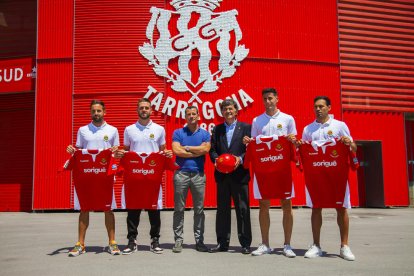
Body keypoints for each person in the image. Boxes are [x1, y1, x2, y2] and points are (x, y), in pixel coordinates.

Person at [300, 95, 356, 261]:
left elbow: (353, 147)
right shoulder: (308, 129)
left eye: (321, 106)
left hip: (337, 175)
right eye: (315, 106)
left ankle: (344, 246)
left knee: (341, 208)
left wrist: (348, 142)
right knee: (316, 208)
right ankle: (316, 245)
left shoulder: (340, 126)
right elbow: (303, 151)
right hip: (316, 175)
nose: (318, 109)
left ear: (329, 108)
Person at [243, 87, 298, 257]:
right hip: (263, 171)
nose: (268, 102)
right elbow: (252, 144)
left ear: (277, 99)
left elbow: (295, 144)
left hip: (282, 171)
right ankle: (265, 244)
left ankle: (287, 245)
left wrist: (292, 140)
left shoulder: (288, 119)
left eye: (270, 98)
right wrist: (247, 141)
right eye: (265, 99)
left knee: (286, 206)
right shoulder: (257, 121)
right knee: (263, 206)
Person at [115, 98, 172, 255]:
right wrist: (121, 153)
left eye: (147, 108)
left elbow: (163, 150)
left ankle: (155, 241)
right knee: (133, 209)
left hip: (152, 176)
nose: (144, 110)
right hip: (134, 177)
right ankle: (132, 241)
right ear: (137, 110)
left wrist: (167, 153)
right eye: (141, 108)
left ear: (151, 110)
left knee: (154, 210)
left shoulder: (159, 129)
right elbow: (126, 150)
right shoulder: (129, 129)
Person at [66, 99, 121, 257]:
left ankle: (112, 243)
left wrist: (116, 151)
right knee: (84, 209)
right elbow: (78, 151)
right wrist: (72, 150)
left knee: (108, 209)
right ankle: (80, 244)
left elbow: (116, 154)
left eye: (99, 111)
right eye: (93, 111)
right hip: (87, 175)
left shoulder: (113, 130)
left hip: (105, 176)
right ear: (90, 113)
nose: (96, 114)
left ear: (104, 112)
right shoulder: (83, 130)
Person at [209, 99, 252, 254]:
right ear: (222, 112)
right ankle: (222, 242)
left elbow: (251, 149)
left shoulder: (246, 128)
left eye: (231, 109)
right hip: (222, 175)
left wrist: (239, 159)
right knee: (222, 210)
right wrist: (216, 161)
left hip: (239, 175)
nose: (228, 111)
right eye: (225, 109)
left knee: (243, 209)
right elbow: (212, 150)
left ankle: (246, 243)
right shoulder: (217, 129)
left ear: (236, 111)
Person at [171, 106, 211, 253]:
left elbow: (206, 150)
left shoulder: (205, 134)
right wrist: (196, 151)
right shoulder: (178, 132)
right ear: (185, 117)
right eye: (188, 114)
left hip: (198, 175)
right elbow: (176, 150)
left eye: (194, 114)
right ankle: (178, 241)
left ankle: (199, 241)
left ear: (198, 116)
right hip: (181, 174)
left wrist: (186, 148)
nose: (191, 116)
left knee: (199, 210)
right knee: (179, 209)